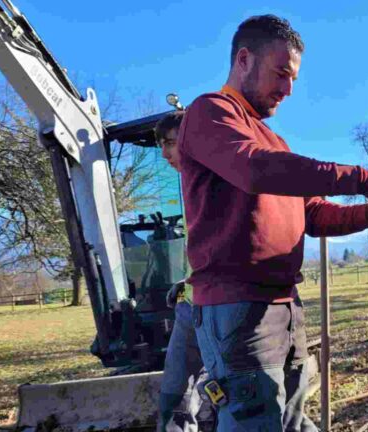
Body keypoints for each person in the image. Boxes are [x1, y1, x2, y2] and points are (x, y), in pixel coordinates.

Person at [177, 15, 368, 431]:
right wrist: (360, 177)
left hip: (284, 305)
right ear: (244, 59)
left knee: (292, 417)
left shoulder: (274, 141)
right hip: (237, 310)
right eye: (281, 74)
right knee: (253, 421)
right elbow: (253, 170)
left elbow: (313, 214)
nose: (288, 89)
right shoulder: (210, 113)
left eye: (294, 79)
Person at [155, 111, 209, 432]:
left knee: (229, 402)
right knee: (172, 398)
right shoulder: (189, 187)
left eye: (170, 144)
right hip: (189, 307)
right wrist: (186, 280)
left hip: (219, 309)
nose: (164, 154)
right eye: (161, 145)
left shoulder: (224, 181)